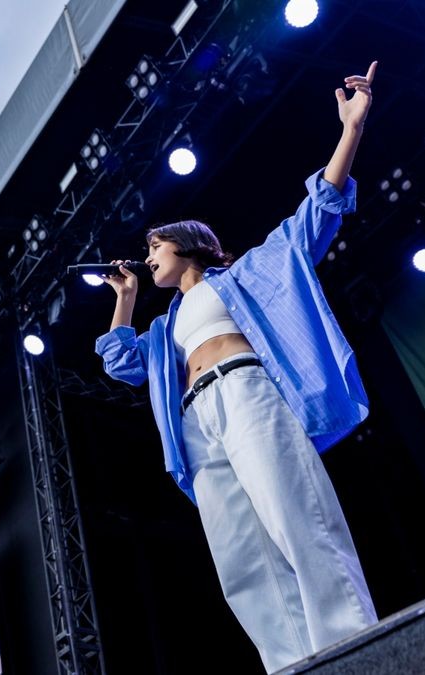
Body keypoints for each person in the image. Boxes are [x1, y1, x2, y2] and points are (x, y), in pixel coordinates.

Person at [95, 62, 381, 673]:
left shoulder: (247, 274)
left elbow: (317, 215)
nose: (147, 260)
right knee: (242, 562)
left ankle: (361, 651)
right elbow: (122, 364)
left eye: (154, 248)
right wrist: (123, 299)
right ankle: (295, 665)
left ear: (188, 243)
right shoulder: (162, 328)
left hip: (248, 393)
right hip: (197, 425)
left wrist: (350, 130)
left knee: (295, 518)